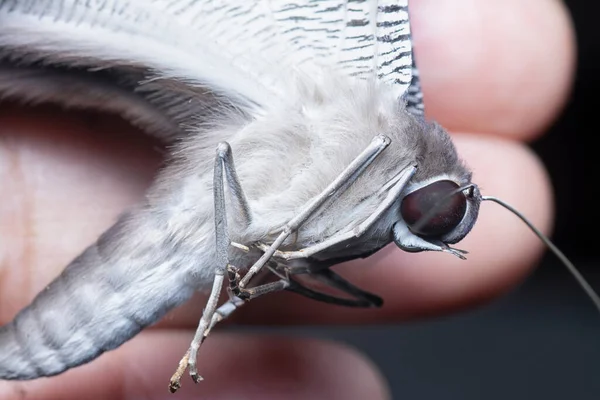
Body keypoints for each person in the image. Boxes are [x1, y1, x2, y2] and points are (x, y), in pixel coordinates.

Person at [0, 0, 574, 398]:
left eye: (434, 227)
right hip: (207, 199)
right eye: (437, 218)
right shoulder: (367, 119)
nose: (423, 235)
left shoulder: (372, 197)